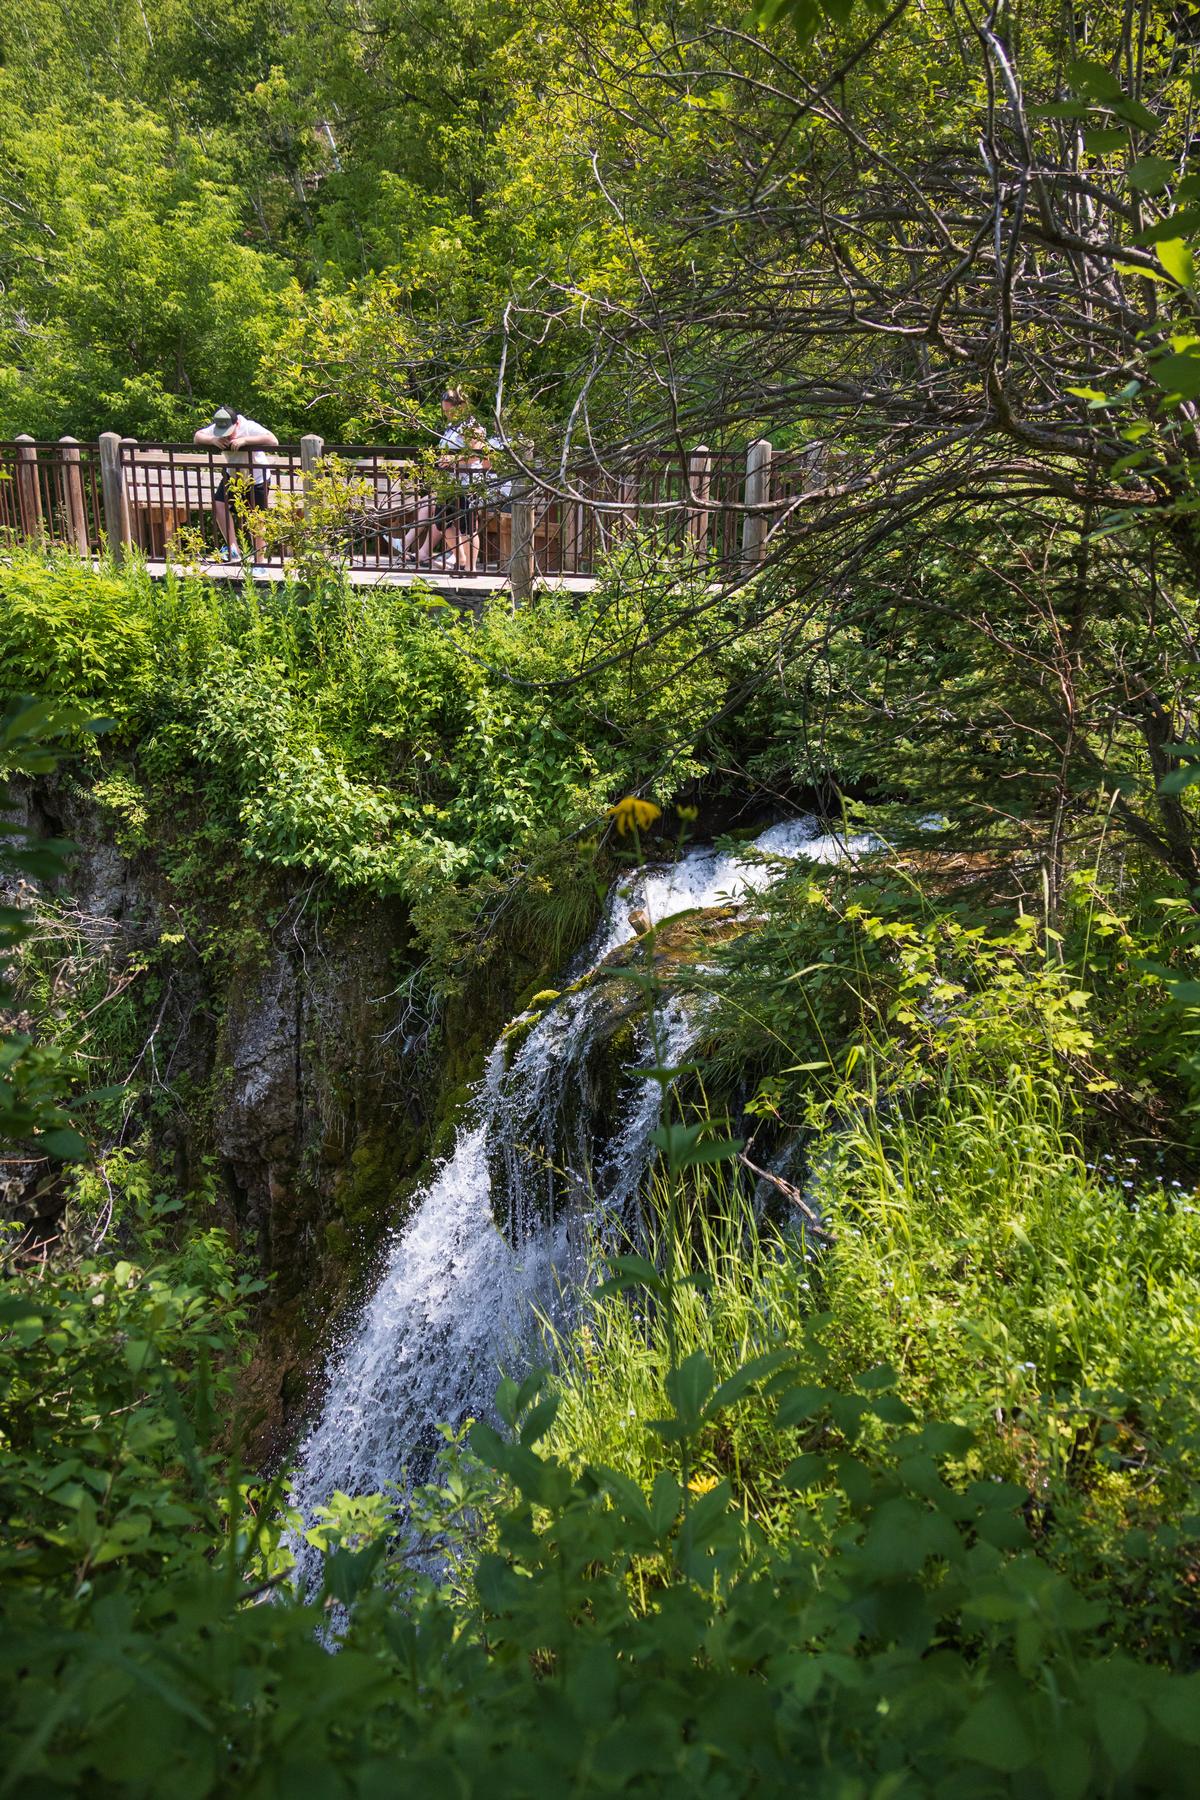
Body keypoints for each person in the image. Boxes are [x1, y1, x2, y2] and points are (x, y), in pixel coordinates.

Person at [404, 387, 496, 572]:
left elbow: (476, 456)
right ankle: (461, 560)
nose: (447, 415)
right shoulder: (452, 428)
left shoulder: (472, 427)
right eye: (445, 411)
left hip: (467, 483)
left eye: (450, 411)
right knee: (442, 521)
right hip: (449, 484)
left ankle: (470, 569)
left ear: (461, 407)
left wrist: (453, 459)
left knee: (467, 527)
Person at [194, 406, 279, 568]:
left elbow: (273, 440)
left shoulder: (249, 426)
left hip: (257, 478)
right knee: (219, 505)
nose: (226, 435)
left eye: (229, 431)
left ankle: (260, 562)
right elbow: (197, 436)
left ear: (237, 423)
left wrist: (246, 441)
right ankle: (234, 550)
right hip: (233, 476)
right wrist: (212, 440)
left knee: (256, 518)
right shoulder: (217, 428)